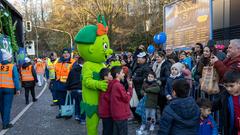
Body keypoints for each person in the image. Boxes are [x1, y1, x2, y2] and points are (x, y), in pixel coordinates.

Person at [212, 70, 240, 135]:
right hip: (232, 130)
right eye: (226, 86)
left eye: (231, 86)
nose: (228, 89)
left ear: (239, 83)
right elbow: (213, 106)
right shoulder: (224, 96)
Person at [0, 49, 21, 129]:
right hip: (9, 89)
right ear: (8, 59)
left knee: (1, 106)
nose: (11, 58)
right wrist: (18, 89)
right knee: (7, 106)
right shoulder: (12, 66)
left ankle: (3, 120)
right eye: (10, 58)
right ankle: (6, 124)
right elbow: (16, 79)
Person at [110, 66, 133, 135]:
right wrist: (130, 87)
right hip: (121, 113)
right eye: (122, 73)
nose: (123, 74)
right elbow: (127, 98)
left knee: (116, 132)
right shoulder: (118, 85)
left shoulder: (112, 83)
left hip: (116, 112)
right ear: (117, 74)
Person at [55, 48, 75, 119]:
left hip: (68, 85)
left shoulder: (73, 62)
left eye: (67, 53)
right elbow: (55, 72)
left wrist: (71, 85)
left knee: (69, 100)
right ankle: (61, 112)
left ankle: (68, 114)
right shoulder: (58, 62)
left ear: (70, 54)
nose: (66, 54)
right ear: (62, 54)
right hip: (59, 84)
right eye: (64, 53)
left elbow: (74, 75)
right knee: (61, 100)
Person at [66, 57, 85, 123]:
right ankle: (82, 119)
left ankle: (77, 115)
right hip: (81, 89)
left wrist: (68, 88)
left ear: (78, 62)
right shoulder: (85, 70)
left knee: (77, 103)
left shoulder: (72, 69)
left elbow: (68, 79)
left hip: (73, 90)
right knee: (82, 105)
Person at [99, 68, 113, 135]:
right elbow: (108, 98)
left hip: (105, 111)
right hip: (107, 112)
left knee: (106, 128)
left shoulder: (103, 83)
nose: (112, 76)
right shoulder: (106, 85)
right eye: (110, 74)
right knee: (107, 129)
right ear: (105, 77)